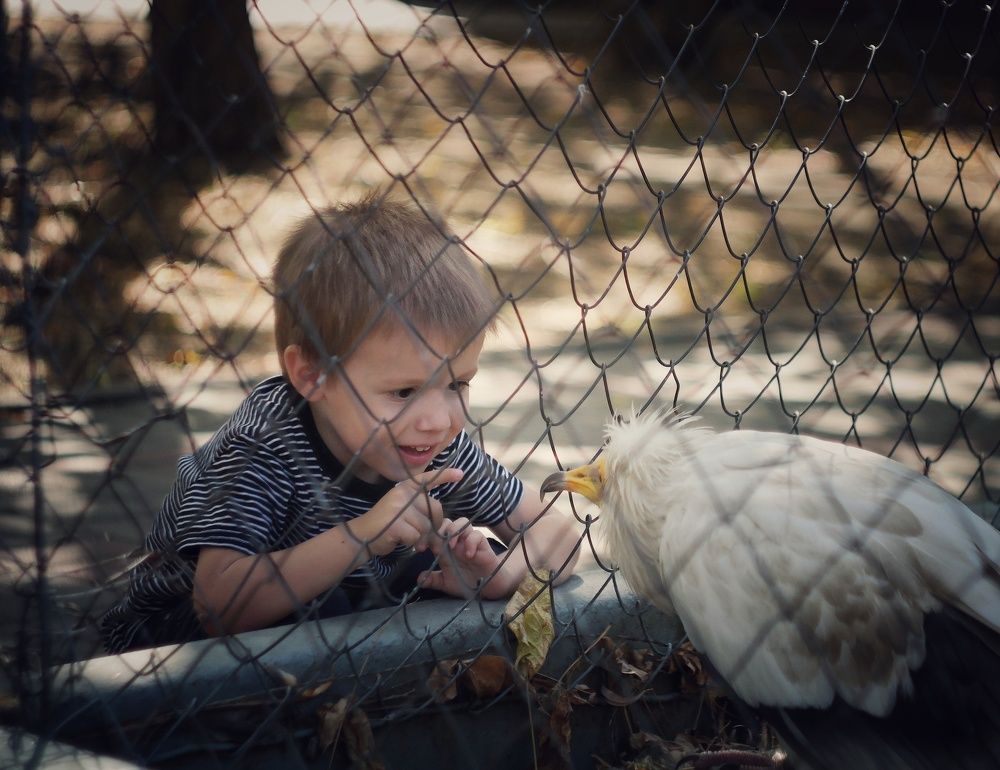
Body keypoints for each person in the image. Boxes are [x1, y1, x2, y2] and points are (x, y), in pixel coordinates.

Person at [100, 191, 581, 653]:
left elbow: (559, 535)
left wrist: (499, 575)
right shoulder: (264, 444)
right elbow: (219, 604)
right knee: (322, 602)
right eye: (404, 391)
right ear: (312, 375)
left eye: (457, 384)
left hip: (348, 614)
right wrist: (365, 533)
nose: (440, 419)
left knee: (446, 565)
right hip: (170, 645)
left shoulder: (436, 444)